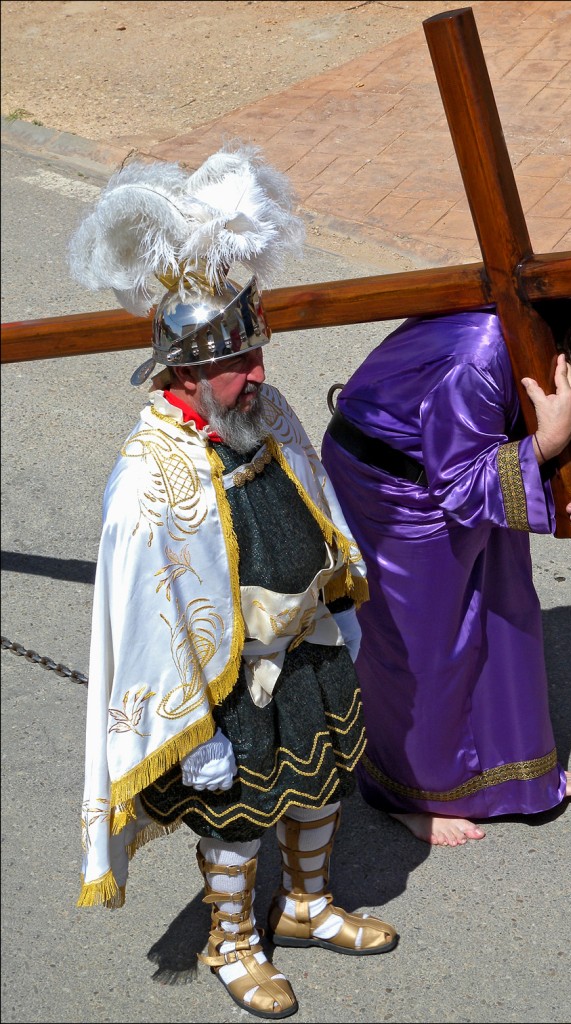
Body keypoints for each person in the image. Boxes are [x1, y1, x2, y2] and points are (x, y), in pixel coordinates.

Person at [70, 146, 397, 1021]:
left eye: (256, 352)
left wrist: (338, 593)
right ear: (180, 371)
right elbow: (145, 609)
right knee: (241, 812)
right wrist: (191, 727)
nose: (256, 374)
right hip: (223, 684)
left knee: (321, 777)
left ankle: (306, 908)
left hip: (307, 643)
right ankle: (232, 943)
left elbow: (315, 495)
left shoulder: (267, 409)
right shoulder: (148, 474)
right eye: (234, 363)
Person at [320, 289, 571, 847]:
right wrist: (546, 443)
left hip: (474, 461)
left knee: (505, 617)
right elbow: (461, 486)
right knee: (423, 643)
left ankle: (512, 779)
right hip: (392, 486)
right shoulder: (480, 353)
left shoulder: (545, 339)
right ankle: (407, 792)